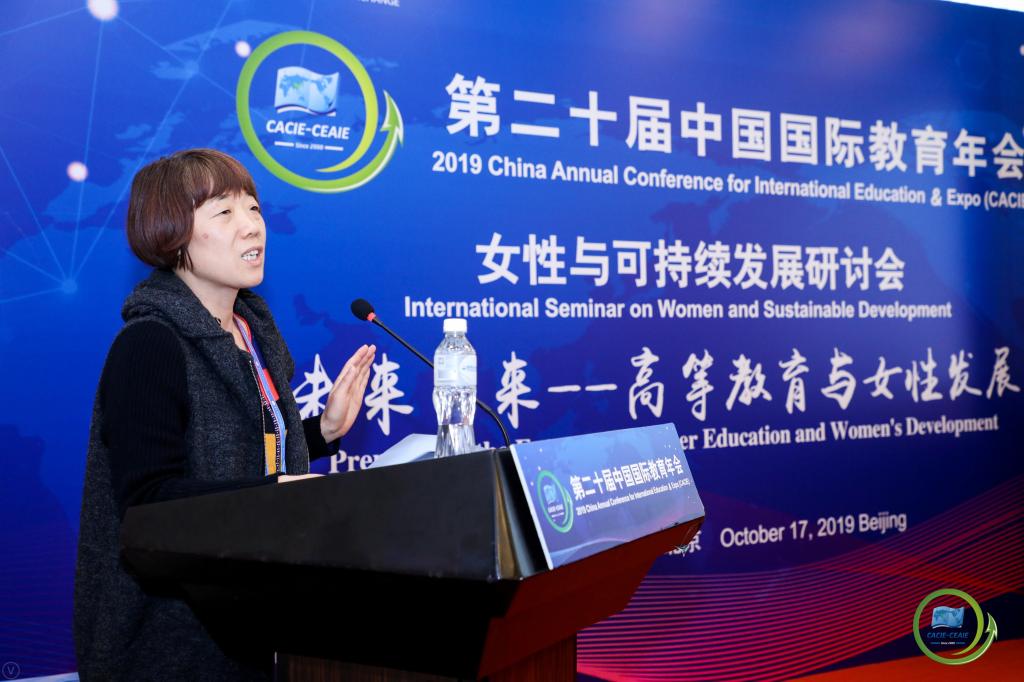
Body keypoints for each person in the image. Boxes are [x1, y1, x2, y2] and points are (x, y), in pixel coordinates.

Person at [74, 148, 375, 680]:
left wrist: (322, 432)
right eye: (225, 212)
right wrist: (276, 492)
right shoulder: (150, 344)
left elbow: (239, 457)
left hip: (252, 617)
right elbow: (148, 502)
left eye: (253, 208)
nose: (252, 226)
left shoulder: (253, 335)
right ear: (172, 233)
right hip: (171, 640)